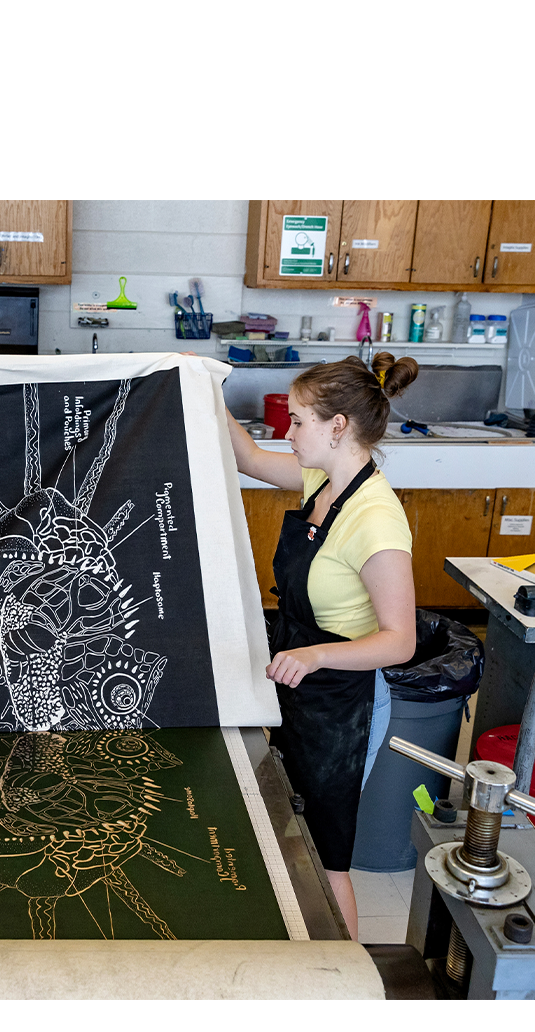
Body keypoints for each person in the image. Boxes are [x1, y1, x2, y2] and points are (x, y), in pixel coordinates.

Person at [227, 351, 418, 939]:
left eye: (297, 420)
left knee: (325, 856)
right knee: (288, 835)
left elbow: (400, 642)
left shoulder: (375, 519)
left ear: (337, 426)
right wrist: (202, 380)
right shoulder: (323, 482)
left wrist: (315, 656)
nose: (287, 431)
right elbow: (248, 457)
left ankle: (343, 976)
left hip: (342, 702)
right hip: (298, 684)